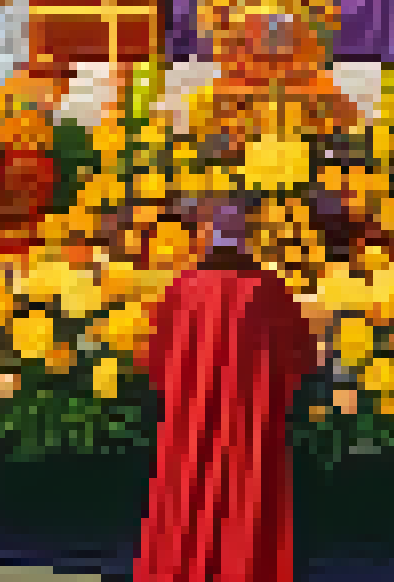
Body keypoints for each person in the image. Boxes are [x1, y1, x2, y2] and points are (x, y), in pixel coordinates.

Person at [133, 201, 316, 582]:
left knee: (186, 488)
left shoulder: (182, 289)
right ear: (248, 238)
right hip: (249, 420)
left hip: (191, 416)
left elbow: (153, 358)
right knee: (246, 491)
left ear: (208, 235)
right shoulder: (269, 291)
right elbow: (299, 358)